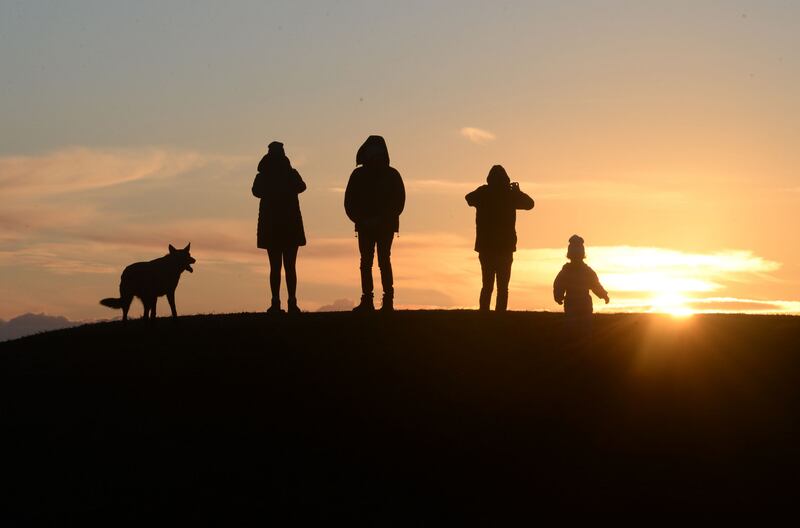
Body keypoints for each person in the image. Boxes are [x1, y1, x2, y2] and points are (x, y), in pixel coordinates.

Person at [344, 135, 405, 312]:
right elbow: (349, 202)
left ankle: (386, 300)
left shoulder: (391, 174)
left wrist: (382, 219)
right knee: (369, 262)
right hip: (366, 226)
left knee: (381, 260)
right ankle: (370, 300)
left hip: (381, 226)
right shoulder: (360, 175)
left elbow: (398, 201)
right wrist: (362, 220)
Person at [465, 165, 534, 311]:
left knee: (487, 285)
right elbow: (530, 204)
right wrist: (517, 192)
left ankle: (484, 315)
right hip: (504, 247)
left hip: (486, 247)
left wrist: (485, 190)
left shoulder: (484, 193)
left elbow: (469, 198)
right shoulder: (509, 195)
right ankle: (500, 316)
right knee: (503, 287)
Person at [252, 141, 307, 314]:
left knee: (275, 266)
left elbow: (256, 191)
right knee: (289, 266)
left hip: (272, 226)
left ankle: (277, 302)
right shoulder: (290, 173)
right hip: (289, 225)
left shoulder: (264, 175)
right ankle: (290, 302)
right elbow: (302, 186)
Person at [553, 235, 609, 333]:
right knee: (578, 327)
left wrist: (558, 296)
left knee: (578, 327)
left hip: (577, 302)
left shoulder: (569, 271)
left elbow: (559, 284)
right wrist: (603, 295)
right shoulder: (584, 271)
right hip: (579, 301)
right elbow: (595, 285)